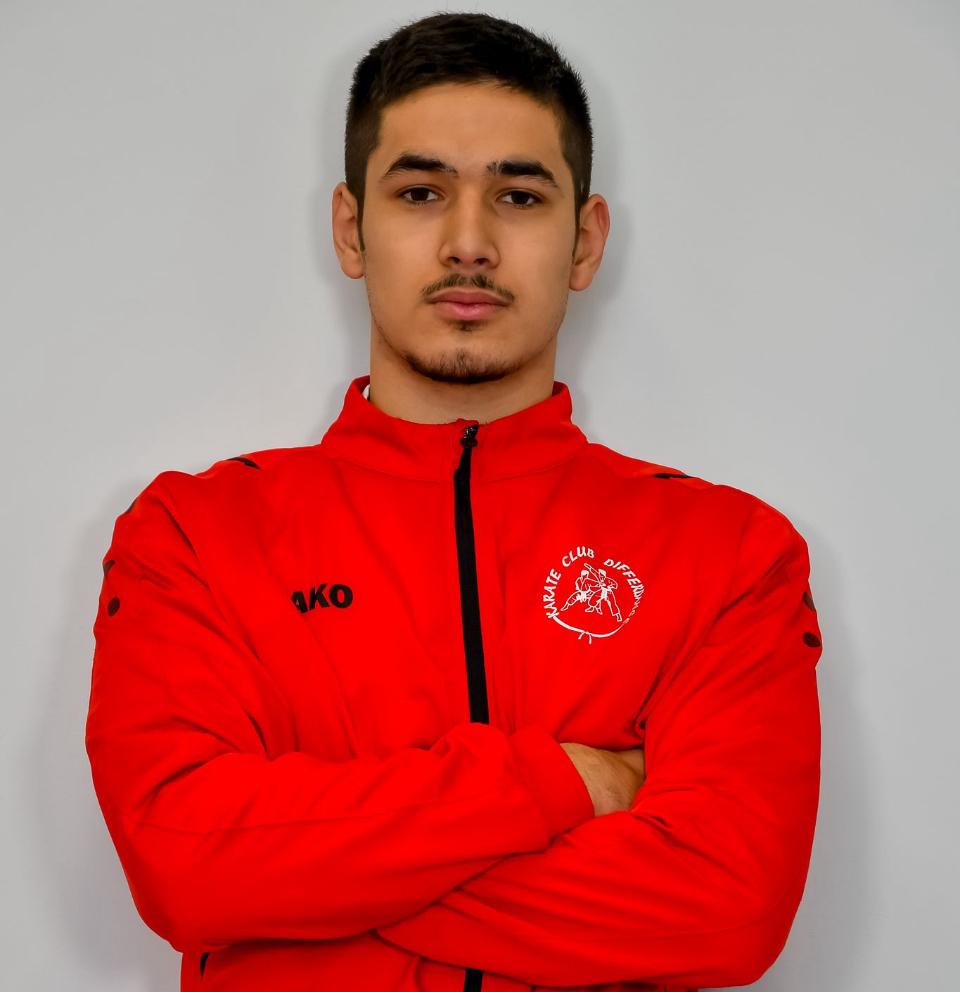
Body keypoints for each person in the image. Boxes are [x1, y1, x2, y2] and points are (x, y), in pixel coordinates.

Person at [85, 11, 823, 992]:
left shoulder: (728, 552)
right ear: (350, 228)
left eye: (518, 196)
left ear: (584, 241)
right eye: (420, 192)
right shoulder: (195, 535)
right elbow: (182, 862)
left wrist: (295, 873)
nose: (469, 242)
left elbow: (729, 909)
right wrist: (565, 782)